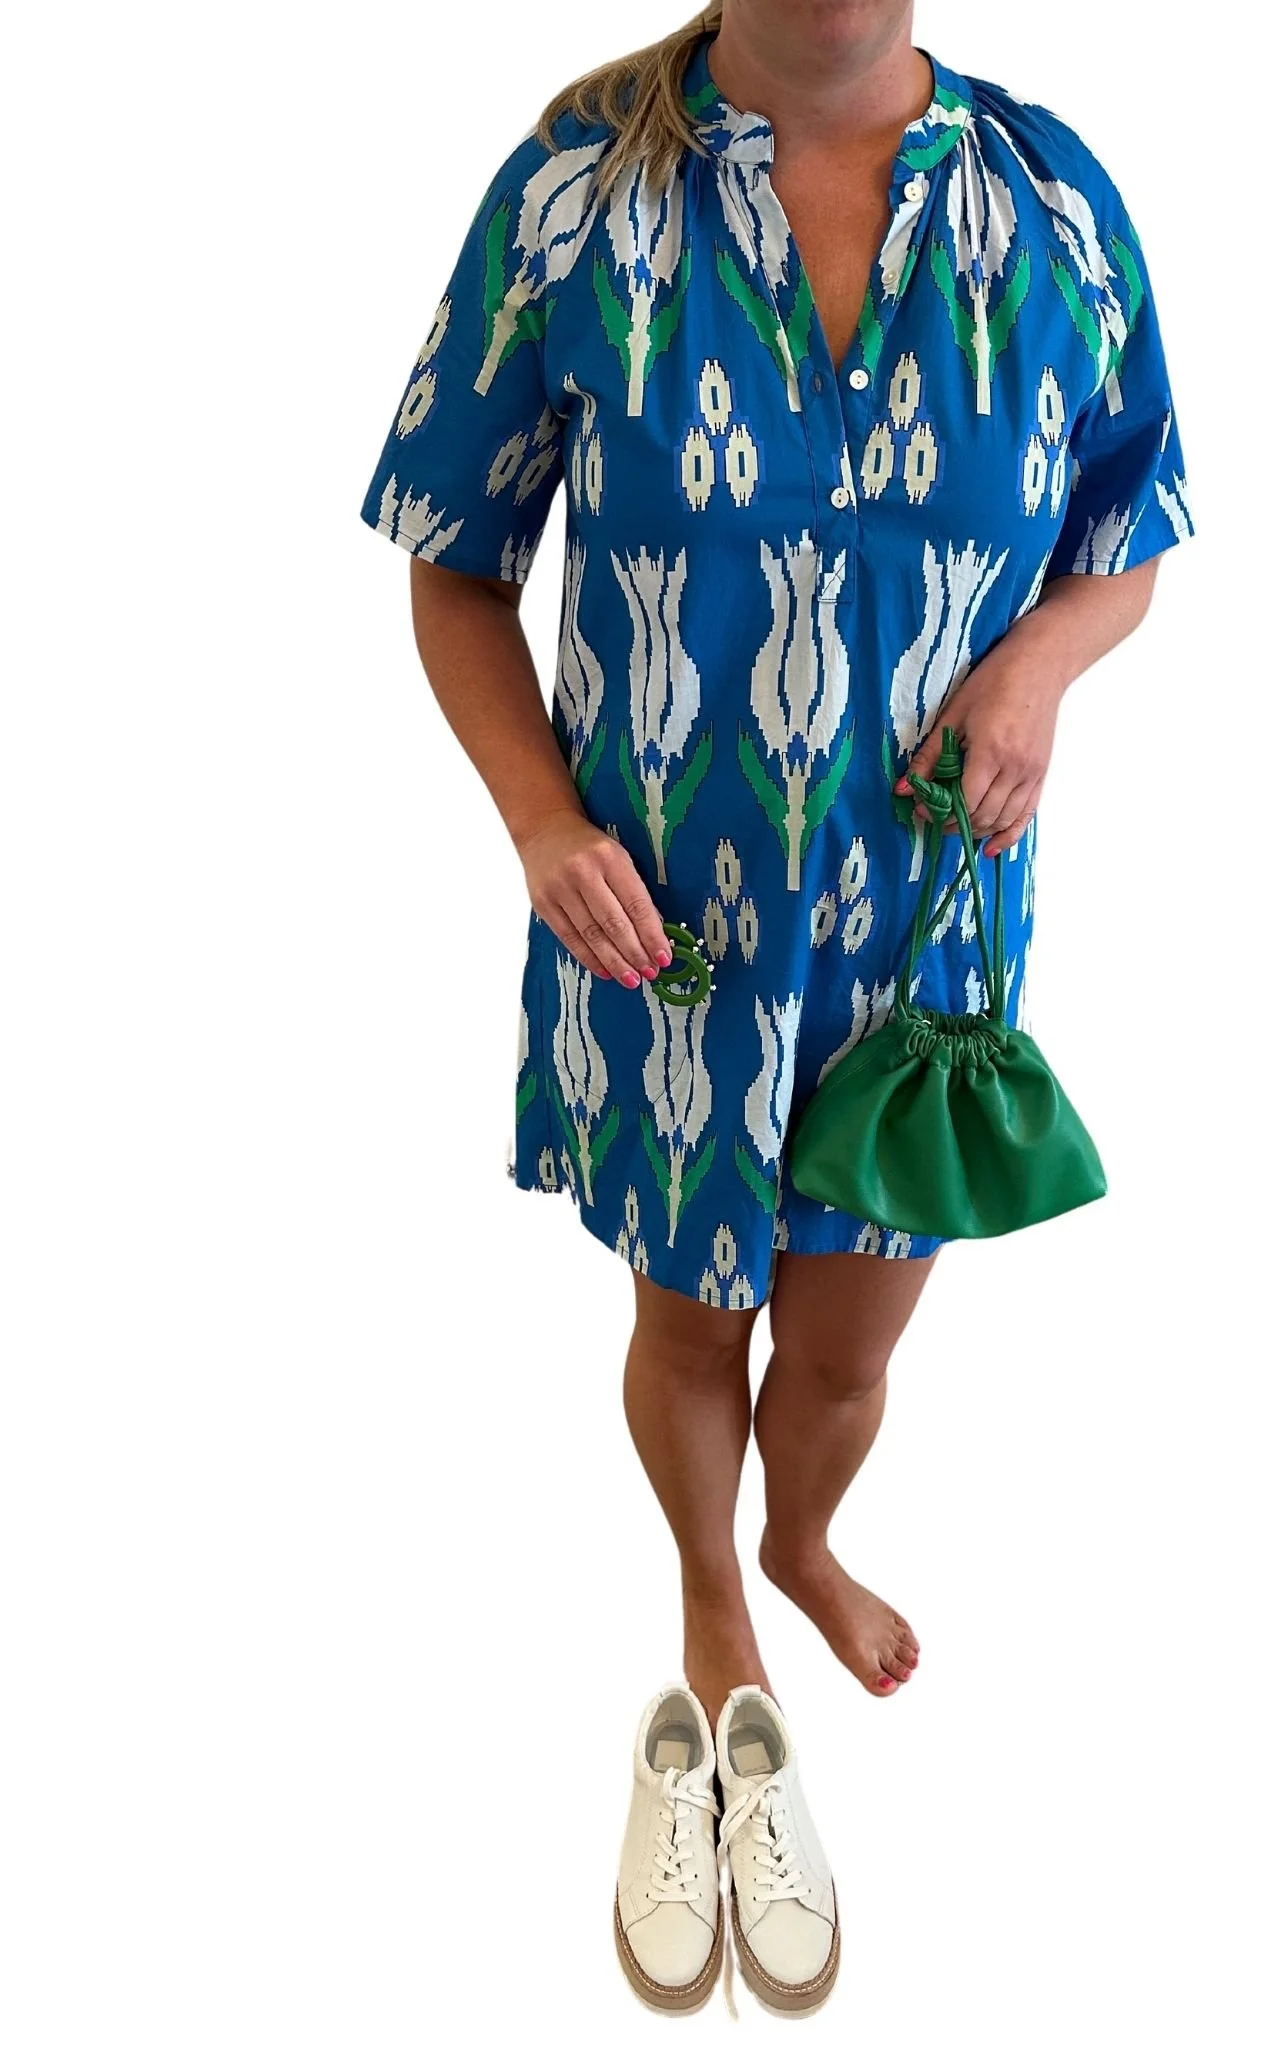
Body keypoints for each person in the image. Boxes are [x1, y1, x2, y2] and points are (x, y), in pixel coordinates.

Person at [359, 0, 1191, 2012]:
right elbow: (455, 561)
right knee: (684, 1323)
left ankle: (805, 1536)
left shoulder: (1051, 204)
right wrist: (538, 819)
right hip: (662, 936)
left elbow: (1132, 527)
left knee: (840, 1350)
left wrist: (1040, 670)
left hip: (926, 950)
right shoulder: (574, 197)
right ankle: (714, 1606)